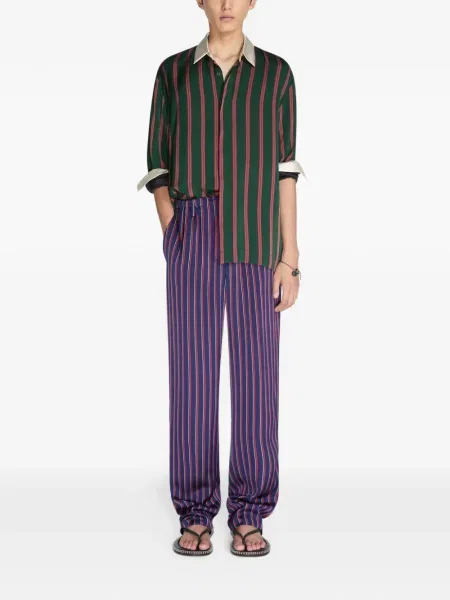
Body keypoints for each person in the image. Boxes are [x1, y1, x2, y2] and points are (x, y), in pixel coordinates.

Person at [137, 0, 306, 557]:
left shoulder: (276, 75)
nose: (227, 4)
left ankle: (249, 511)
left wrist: (290, 257)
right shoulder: (173, 73)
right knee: (191, 375)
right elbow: (158, 164)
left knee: (258, 377)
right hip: (193, 231)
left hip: (256, 233)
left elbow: (284, 170)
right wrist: (174, 230)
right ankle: (195, 511)